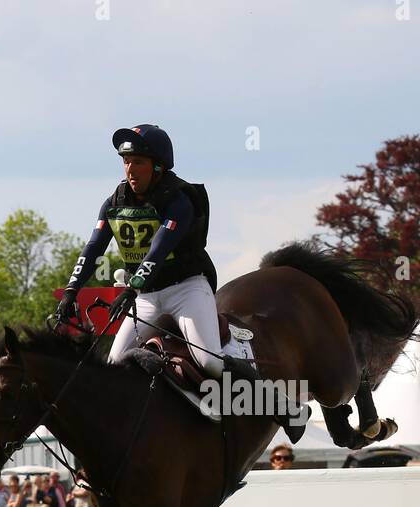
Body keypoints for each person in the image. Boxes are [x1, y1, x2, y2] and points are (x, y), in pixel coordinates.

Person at [53, 124, 304, 437]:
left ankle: (278, 403)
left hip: (186, 290)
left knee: (209, 362)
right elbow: (93, 249)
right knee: (115, 364)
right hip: (145, 297)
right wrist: (70, 292)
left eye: (139, 162)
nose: (130, 169)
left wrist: (131, 288)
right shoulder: (113, 203)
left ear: (158, 167)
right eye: (126, 162)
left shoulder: (179, 200)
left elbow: (158, 250)